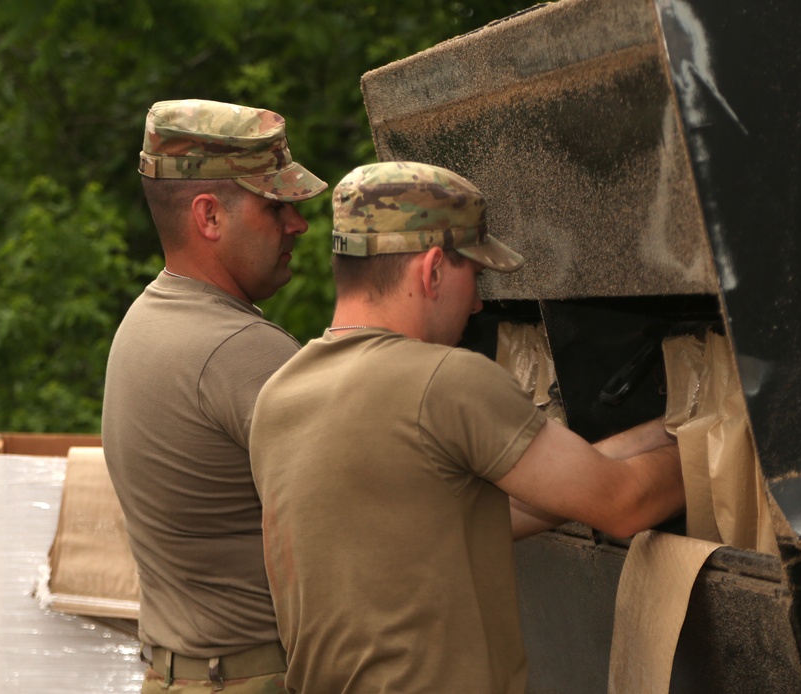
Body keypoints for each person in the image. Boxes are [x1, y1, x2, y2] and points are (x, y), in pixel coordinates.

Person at [249, 161, 686, 693]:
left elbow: (490, 512)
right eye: (474, 274)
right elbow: (624, 504)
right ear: (432, 269)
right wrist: (725, 439)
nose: (478, 302)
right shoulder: (444, 381)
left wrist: (669, 430)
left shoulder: (280, 396)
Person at [102, 98, 328, 692]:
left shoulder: (146, 319)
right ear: (209, 217)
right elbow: (391, 510)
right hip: (252, 677)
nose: (297, 224)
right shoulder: (238, 351)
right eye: (275, 206)